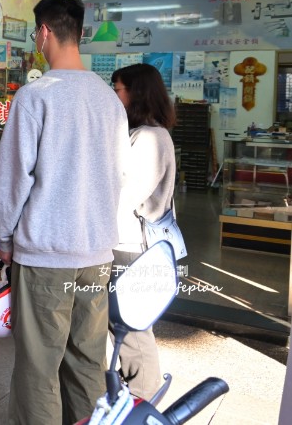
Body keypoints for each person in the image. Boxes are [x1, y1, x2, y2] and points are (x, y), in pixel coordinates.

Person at [0, 0, 131, 424]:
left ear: (44, 32)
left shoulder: (36, 97)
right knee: (87, 361)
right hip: (96, 256)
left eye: (37, 33)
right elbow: (118, 176)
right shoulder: (111, 101)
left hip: (47, 254)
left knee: (38, 367)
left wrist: (4, 239)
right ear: (80, 33)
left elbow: (14, 178)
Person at [111, 62, 177, 398]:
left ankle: (143, 397)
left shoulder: (150, 138)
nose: (113, 95)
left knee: (131, 326)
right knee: (123, 324)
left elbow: (124, 197)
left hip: (130, 246)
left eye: (117, 89)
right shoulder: (141, 134)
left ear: (137, 93)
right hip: (126, 242)